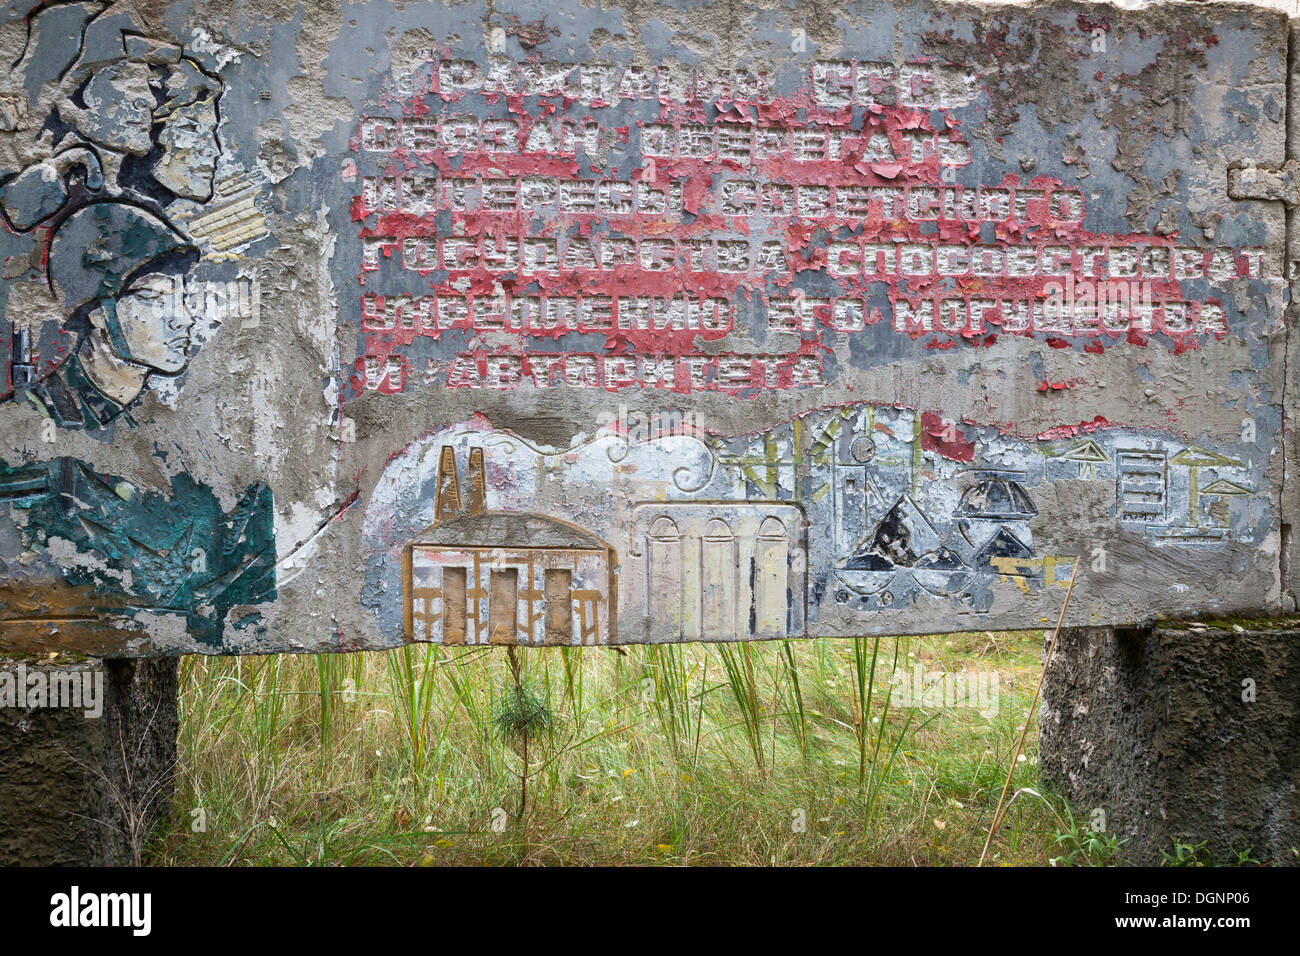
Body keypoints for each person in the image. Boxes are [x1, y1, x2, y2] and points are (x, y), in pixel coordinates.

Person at [12, 200, 200, 430]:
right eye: (153, 296)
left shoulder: (152, 420)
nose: (184, 320)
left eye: (180, 299)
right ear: (97, 313)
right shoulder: (42, 415)